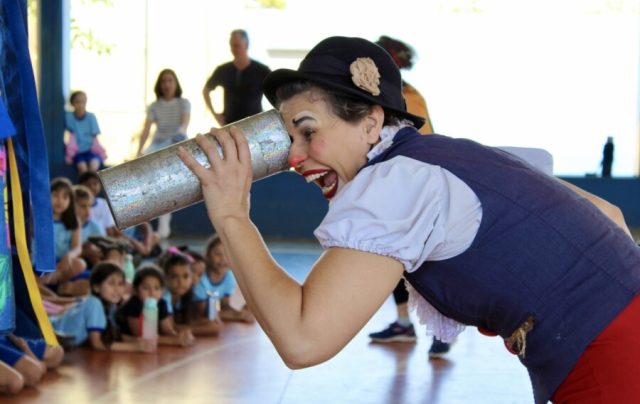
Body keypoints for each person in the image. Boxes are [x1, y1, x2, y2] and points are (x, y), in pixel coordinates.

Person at [178, 36, 640, 403]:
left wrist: (231, 214)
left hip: (612, 365)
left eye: (308, 132)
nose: (295, 158)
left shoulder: (395, 185)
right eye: (288, 140)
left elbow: (303, 340)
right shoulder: (451, 155)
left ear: (371, 123)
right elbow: (610, 215)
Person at [370, 35, 448, 357]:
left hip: (416, 188)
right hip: (395, 186)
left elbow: (422, 145)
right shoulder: (387, 94)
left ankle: (443, 328)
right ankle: (404, 324)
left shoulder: (406, 96)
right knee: (395, 260)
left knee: (428, 264)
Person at [49, 261, 155, 352]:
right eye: (111, 283)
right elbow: (97, 343)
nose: (117, 289)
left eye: (120, 284)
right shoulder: (94, 303)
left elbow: (112, 335)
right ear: (96, 287)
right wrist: (134, 347)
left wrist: (136, 340)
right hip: (45, 333)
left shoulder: (110, 306)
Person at [136, 68, 191, 239]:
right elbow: (146, 130)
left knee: (167, 186)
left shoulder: (184, 103)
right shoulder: (154, 106)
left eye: (170, 81)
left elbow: (183, 126)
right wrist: (139, 151)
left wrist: (176, 138)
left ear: (176, 83)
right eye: (163, 81)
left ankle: (163, 225)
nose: (167, 84)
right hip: (157, 145)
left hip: (176, 144)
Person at [202, 29, 271, 127]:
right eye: (231, 45)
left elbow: (277, 92)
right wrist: (215, 114)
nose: (234, 49)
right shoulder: (223, 70)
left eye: (237, 45)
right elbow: (206, 91)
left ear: (246, 45)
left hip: (255, 124)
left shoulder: (262, 70)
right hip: (229, 124)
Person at [116, 266, 195, 347]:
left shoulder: (161, 303)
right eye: (146, 288)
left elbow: (167, 330)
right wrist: (172, 341)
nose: (152, 293)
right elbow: (140, 335)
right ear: (135, 290)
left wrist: (181, 337)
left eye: (157, 288)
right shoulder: (134, 305)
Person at [40, 177, 87, 296]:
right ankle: (47, 284)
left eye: (65, 197)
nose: (60, 201)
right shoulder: (39, 217)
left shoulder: (74, 220)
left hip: (62, 265)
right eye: (55, 195)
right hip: (41, 263)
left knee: (80, 264)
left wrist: (69, 255)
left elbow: (77, 248)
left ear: (71, 201)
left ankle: (47, 282)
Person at [193, 235, 254, 323]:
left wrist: (242, 312)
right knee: (214, 328)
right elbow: (204, 313)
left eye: (227, 254)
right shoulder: (201, 277)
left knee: (249, 307)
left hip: (206, 312)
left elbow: (224, 306)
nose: (223, 259)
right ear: (208, 256)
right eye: (218, 254)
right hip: (192, 313)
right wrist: (238, 316)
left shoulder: (229, 277)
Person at [160, 250, 222, 336]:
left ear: (191, 278)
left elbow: (185, 322)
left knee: (212, 323)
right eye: (174, 277)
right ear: (166, 279)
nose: (180, 282)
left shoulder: (185, 295)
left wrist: (207, 322)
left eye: (185, 276)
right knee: (214, 327)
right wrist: (207, 329)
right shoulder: (165, 296)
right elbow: (170, 328)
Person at [64, 90, 107, 174]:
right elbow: (69, 137)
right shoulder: (69, 117)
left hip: (92, 151)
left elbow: (95, 138)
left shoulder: (91, 117)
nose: (80, 105)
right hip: (77, 153)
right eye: (77, 102)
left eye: (83, 102)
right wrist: (69, 155)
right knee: (82, 169)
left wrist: (100, 152)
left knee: (94, 167)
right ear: (72, 103)